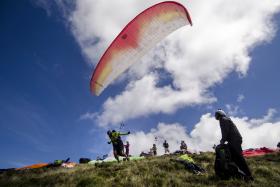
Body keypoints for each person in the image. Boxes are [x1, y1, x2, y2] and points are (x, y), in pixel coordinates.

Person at [215, 109, 253, 181]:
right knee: (234, 158)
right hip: (234, 140)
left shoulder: (223, 119)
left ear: (218, 115)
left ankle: (248, 176)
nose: (216, 116)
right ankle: (241, 175)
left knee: (239, 158)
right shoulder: (226, 119)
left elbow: (225, 131)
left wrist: (222, 140)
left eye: (216, 115)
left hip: (234, 140)